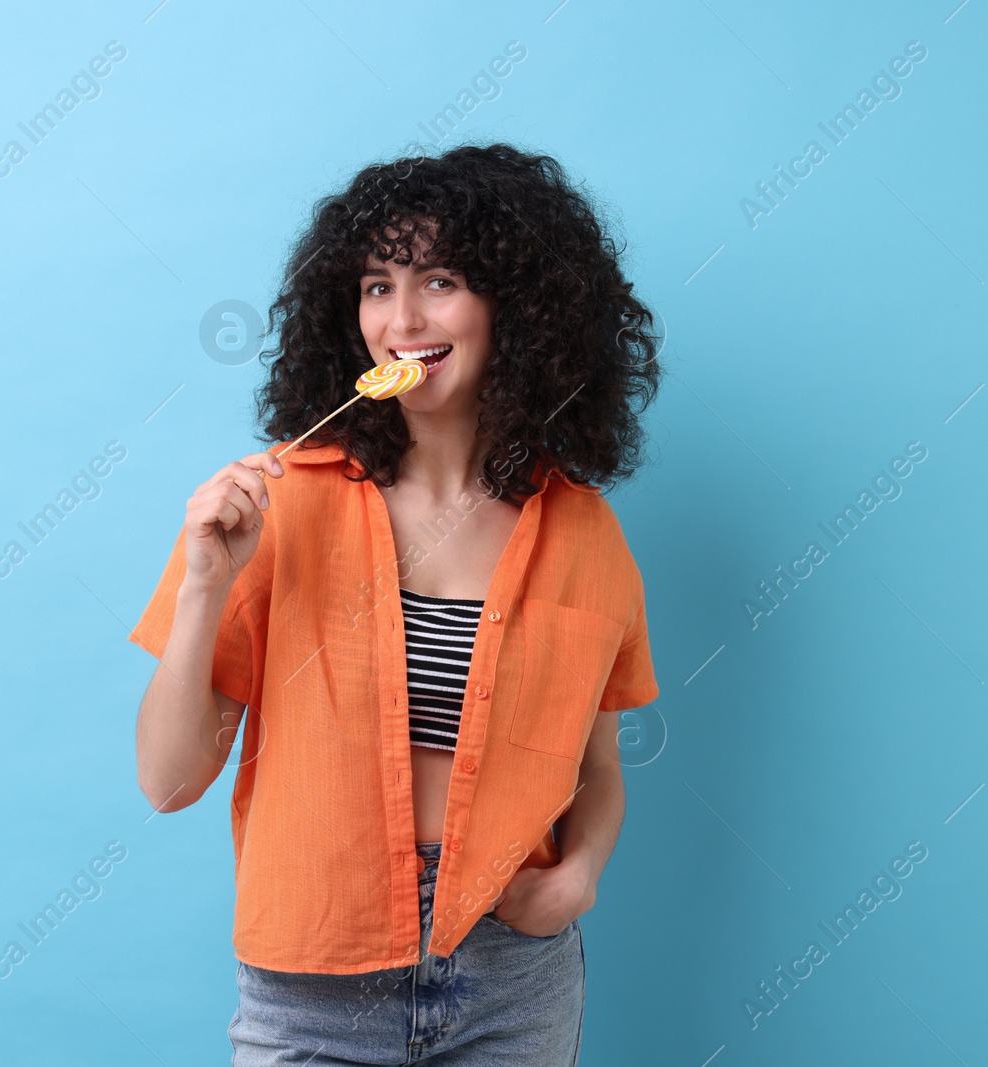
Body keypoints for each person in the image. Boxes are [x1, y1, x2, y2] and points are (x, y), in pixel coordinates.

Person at [129, 142, 662, 1065]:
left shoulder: (585, 532)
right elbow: (168, 782)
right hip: (316, 976)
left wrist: (578, 876)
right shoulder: (280, 503)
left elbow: (598, 767)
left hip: (514, 978)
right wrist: (207, 582)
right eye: (377, 285)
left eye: (440, 280)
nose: (401, 318)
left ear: (521, 307)